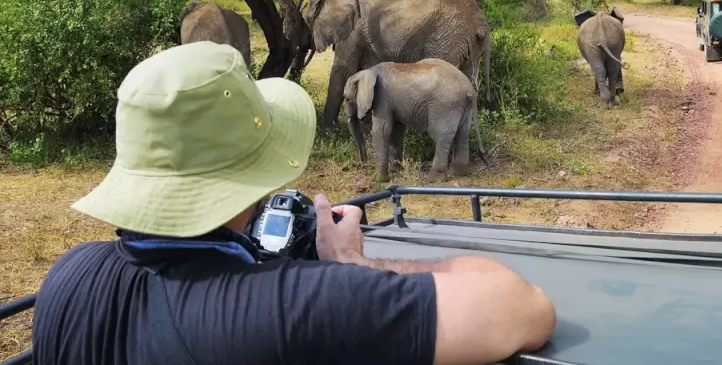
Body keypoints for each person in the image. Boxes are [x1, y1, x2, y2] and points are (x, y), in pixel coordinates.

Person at [31, 41, 556, 365]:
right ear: (258, 178)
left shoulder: (68, 277)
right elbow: (523, 308)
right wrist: (351, 266)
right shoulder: (297, 306)